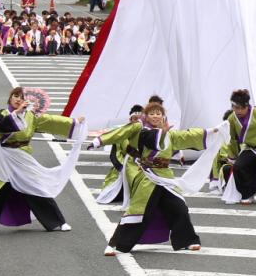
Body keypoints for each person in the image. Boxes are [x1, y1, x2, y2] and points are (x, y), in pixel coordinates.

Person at [88, 101, 226, 255]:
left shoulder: (170, 134)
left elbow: (189, 135)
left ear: (163, 116)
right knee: (138, 211)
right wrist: (97, 141)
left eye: (158, 113)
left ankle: (187, 241)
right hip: (148, 177)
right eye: (152, 113)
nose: (155, 116)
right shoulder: (142, 130)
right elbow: (123, 133)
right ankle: (116, 245)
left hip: (165, 178)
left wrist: (214, 131)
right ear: (146, 116)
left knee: (179, 207)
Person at [0, 87, 86, 236]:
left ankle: (58, 222)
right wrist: (17, 113)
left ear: (26, 101)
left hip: (22, 158)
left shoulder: (31, 117)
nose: (18, 99)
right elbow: (1, 128)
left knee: (36, 188)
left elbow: (51, 121)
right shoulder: (2, 114)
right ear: (10, 99)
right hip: (4, 158)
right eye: (15, 96)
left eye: (21, 97)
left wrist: (74, 122)